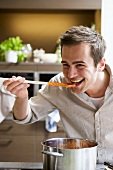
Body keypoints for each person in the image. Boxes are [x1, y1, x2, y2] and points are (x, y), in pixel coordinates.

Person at [3, 25, 113, 164]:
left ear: (101, 64)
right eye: (66, 65)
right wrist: (22, 96)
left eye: (79, 65)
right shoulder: (58, 85)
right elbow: (25, 117)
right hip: (77, 166)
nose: (71, 74)